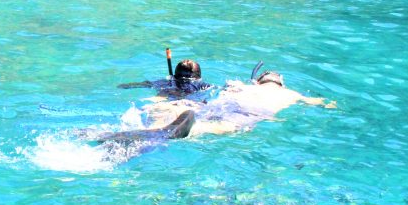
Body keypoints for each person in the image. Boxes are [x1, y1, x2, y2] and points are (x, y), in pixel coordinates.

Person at [137, 68, 335, 137]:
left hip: (228, 102)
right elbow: (319, 102)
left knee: (197, 108)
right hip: (251, 112)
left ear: (258, 81)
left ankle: (157, 121)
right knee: (227, 126)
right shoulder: (291, 94)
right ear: (280, 84)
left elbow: (228, 87)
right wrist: (330, 104)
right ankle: (194, 130)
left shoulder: (248, 87)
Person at [118, 59, 212, 98]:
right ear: (199, 76)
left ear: (175, 74)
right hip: (189, 103)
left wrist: (126, 85)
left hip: (166, 97)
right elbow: (216, 89)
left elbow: (147, 84)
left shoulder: (166, 82)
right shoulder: (200, 84)